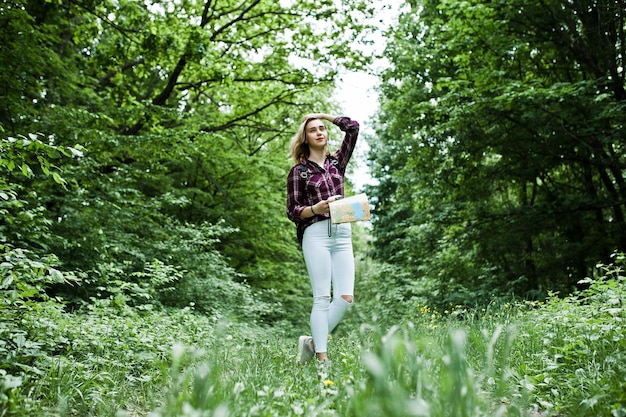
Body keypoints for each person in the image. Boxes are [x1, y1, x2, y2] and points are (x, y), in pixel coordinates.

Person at [286, 113, 360, 367]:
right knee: (322, 298)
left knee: (345, 298)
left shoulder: (337, 163)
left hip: (343, 232)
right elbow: (292, 210)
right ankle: (322, 359)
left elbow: (352, 128)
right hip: (315, 233)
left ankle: (310, 342)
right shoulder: (299, 172)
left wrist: (323, 116)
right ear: (305, 138)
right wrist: (316, 208)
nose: (319, 132)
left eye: (322, 129)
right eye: (312, 130)